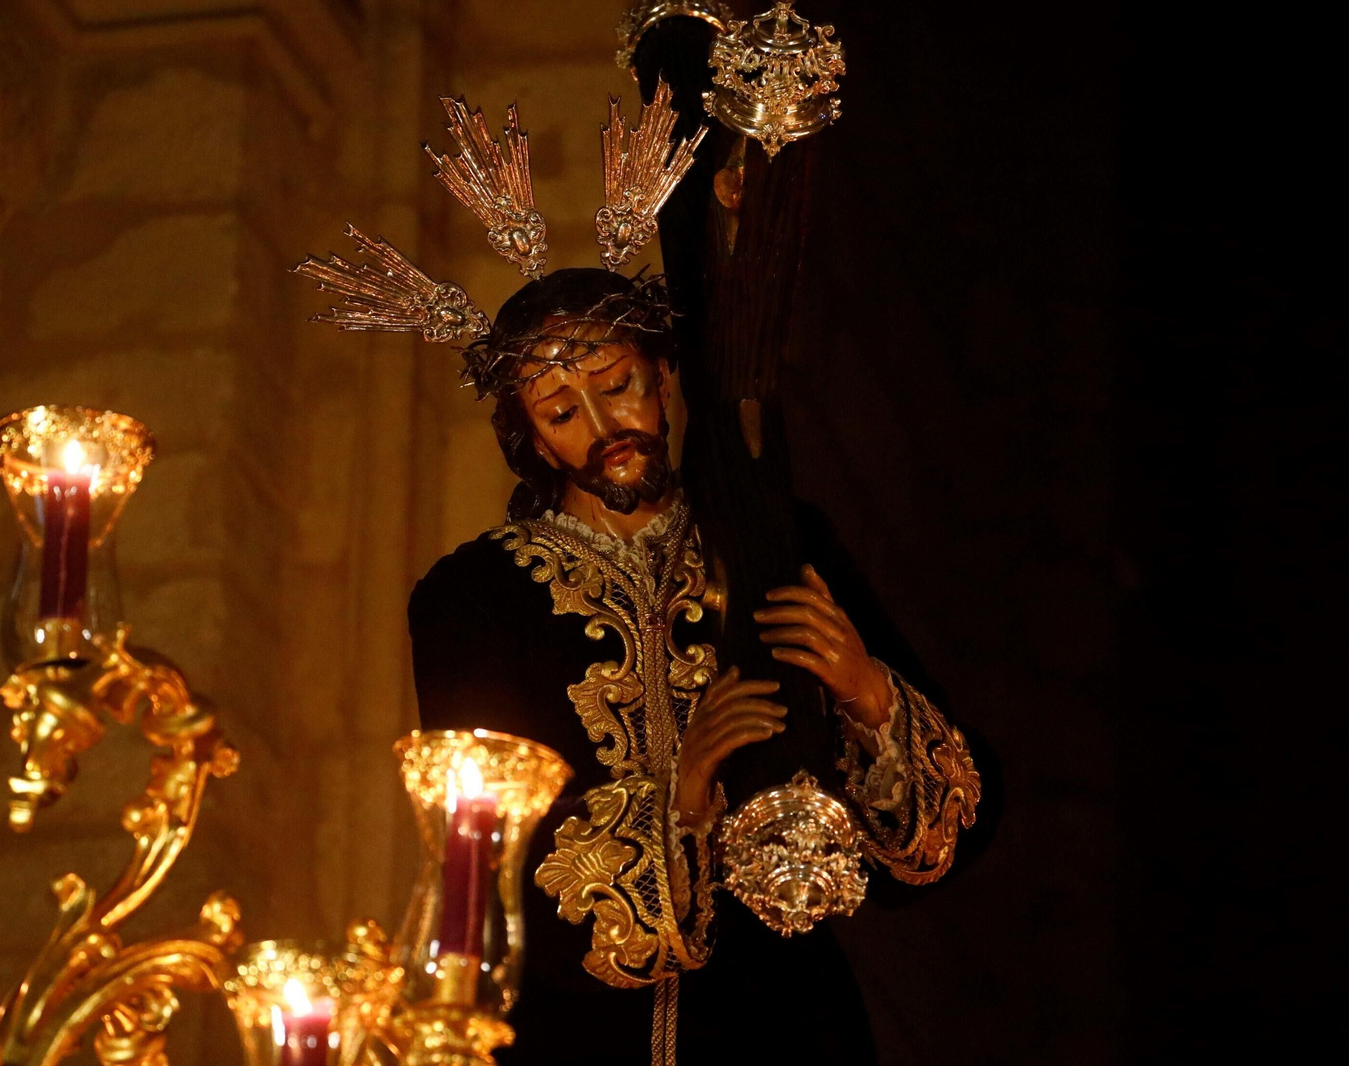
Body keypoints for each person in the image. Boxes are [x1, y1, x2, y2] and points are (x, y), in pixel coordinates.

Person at [299, 78, 979, 1066]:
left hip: (781, 1015)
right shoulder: (474, 599)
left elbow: (936, 842)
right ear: (529, 440)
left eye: (616, 386)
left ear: (663, 378)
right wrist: (684, 784)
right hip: (577, 1028)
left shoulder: (771, 539)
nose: (604, 428)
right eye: (561, 410)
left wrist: (866, 690)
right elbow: (487, 855)